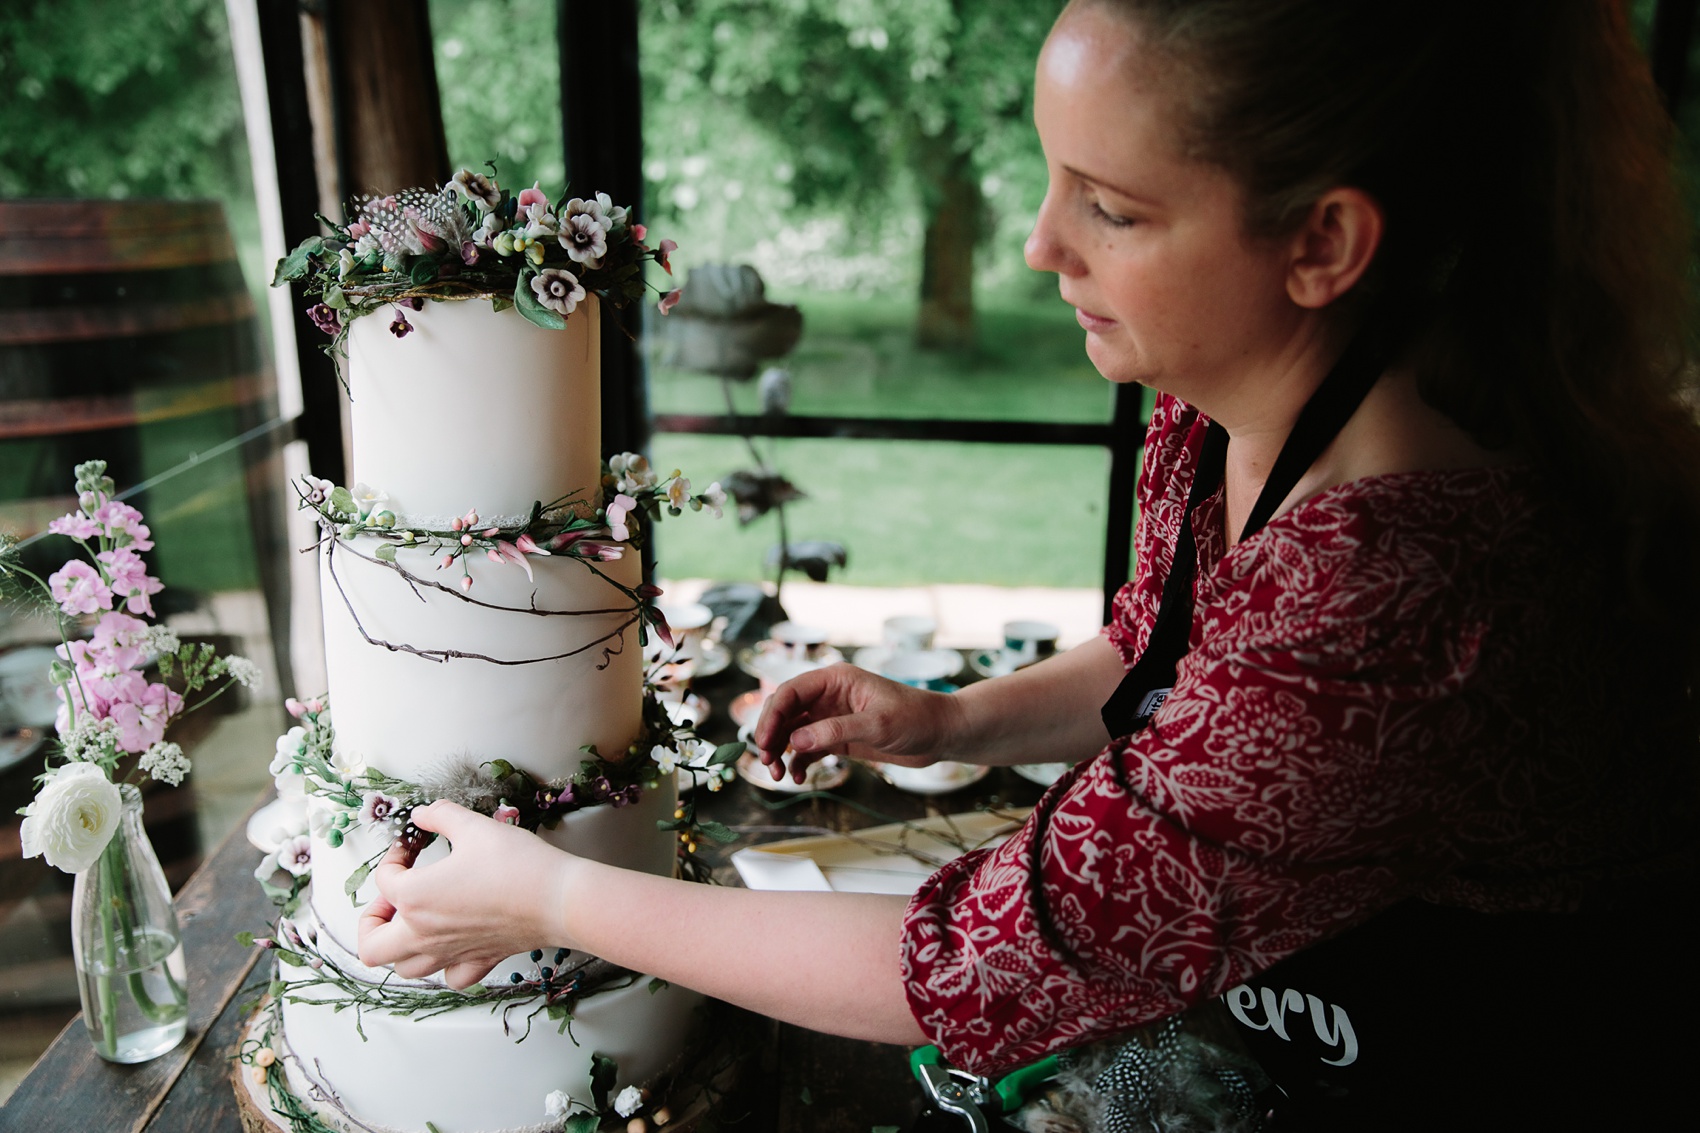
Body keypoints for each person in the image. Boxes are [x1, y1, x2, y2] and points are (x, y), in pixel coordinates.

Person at [360, 0, 1700, 1124]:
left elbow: (968, 969)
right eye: (1055, 177)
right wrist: (954, 717)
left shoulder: (1397, 601)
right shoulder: (1232, 397)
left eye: (1111, 207)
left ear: (1322, 245)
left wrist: (544, 895)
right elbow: (1163, 648)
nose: (1038, 244)